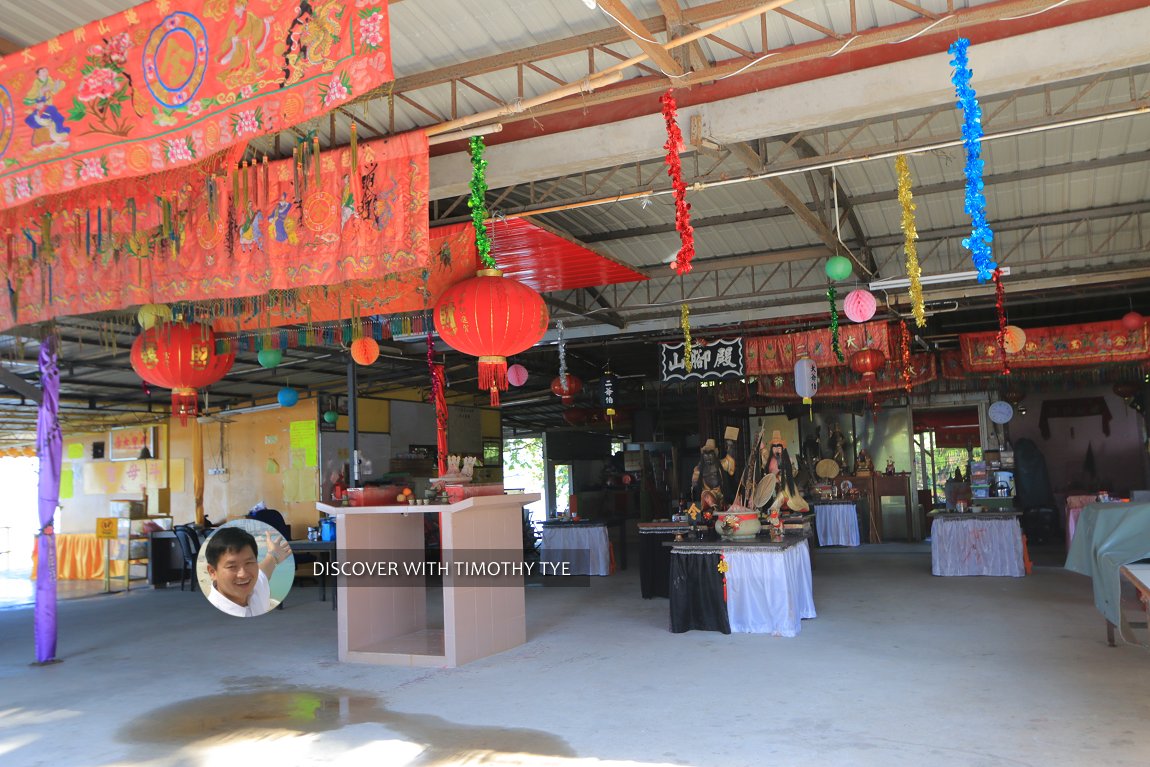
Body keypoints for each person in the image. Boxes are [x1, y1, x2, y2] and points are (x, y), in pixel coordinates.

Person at [204, 526, 290, 618]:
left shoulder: (256, 587)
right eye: (232, 566)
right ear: (212, 572)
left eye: (248, 563)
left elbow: (264, 570)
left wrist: (274, 555)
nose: (243, 574)